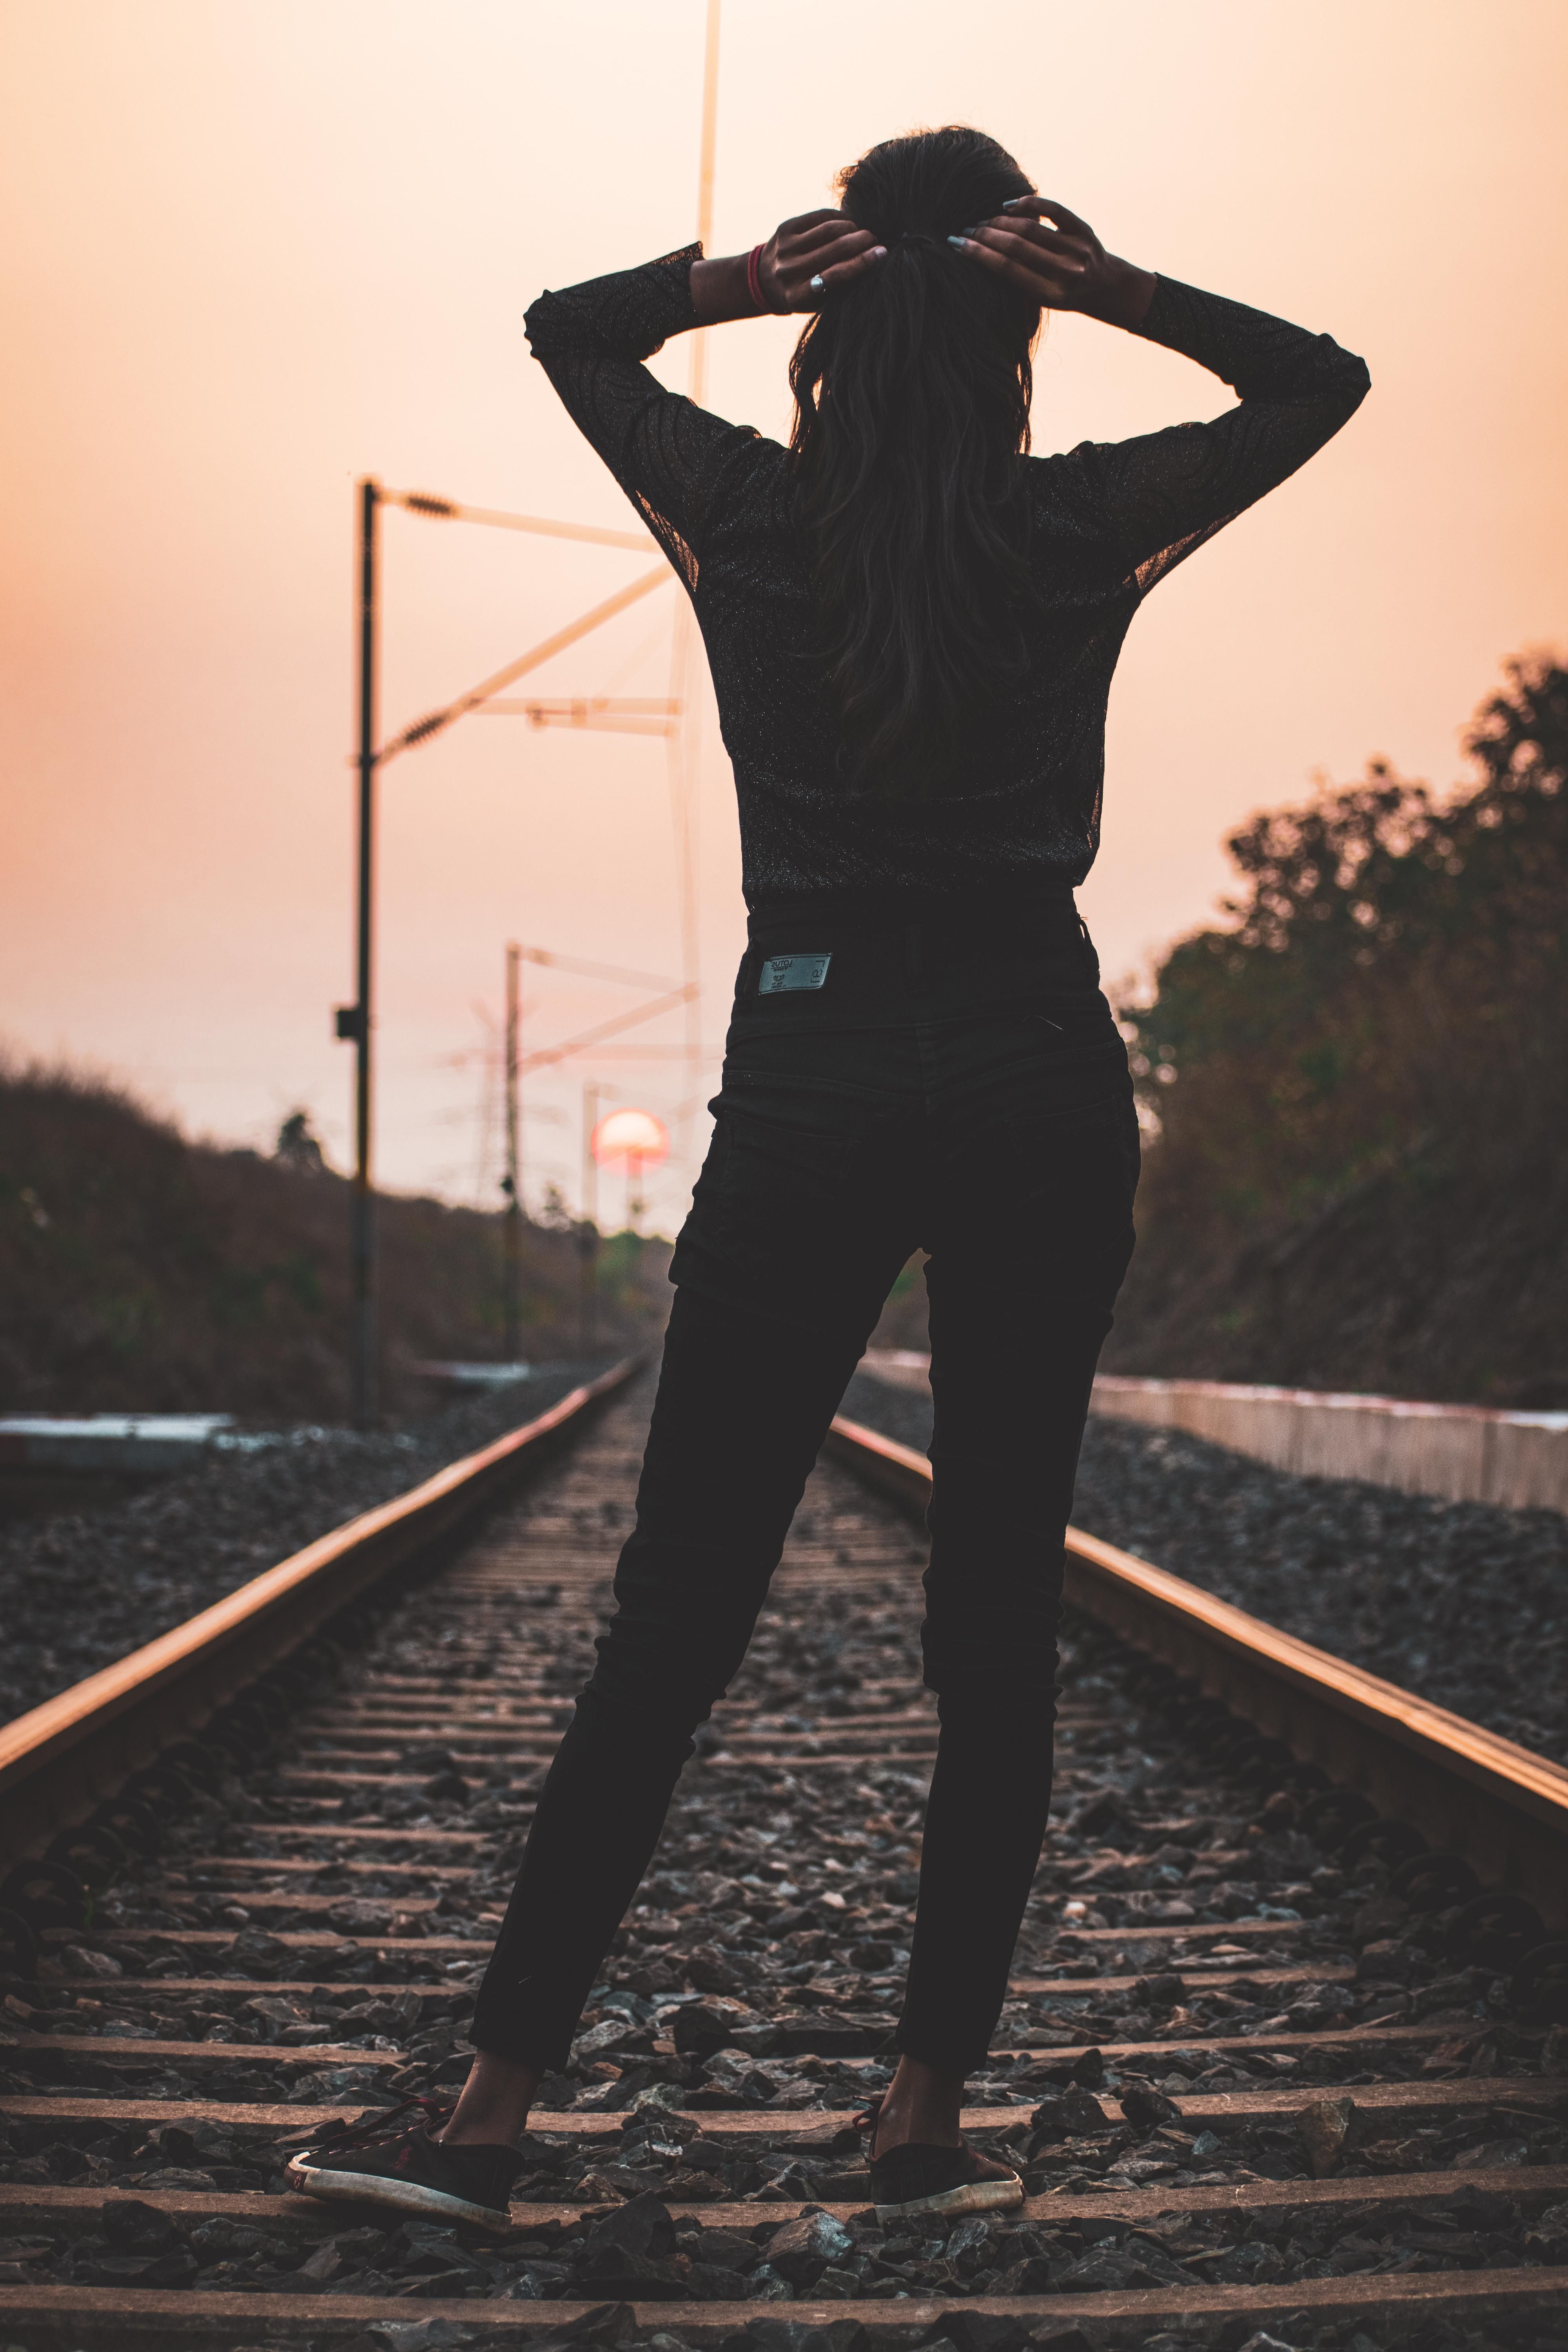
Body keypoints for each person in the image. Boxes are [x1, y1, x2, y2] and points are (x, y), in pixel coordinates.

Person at [289, 124, 1368, 2232]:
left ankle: (493, 2120)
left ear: (837, 319)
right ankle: (914, 2125)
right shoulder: (1084, 525)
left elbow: (559, 334)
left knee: (671, 1622)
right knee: (997, 1625)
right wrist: (1116, 288)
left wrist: (731, 285)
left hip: (816, 1058)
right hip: (1042, 1064)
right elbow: (1318, 387)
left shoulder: (744, 510)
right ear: (1014, 331)